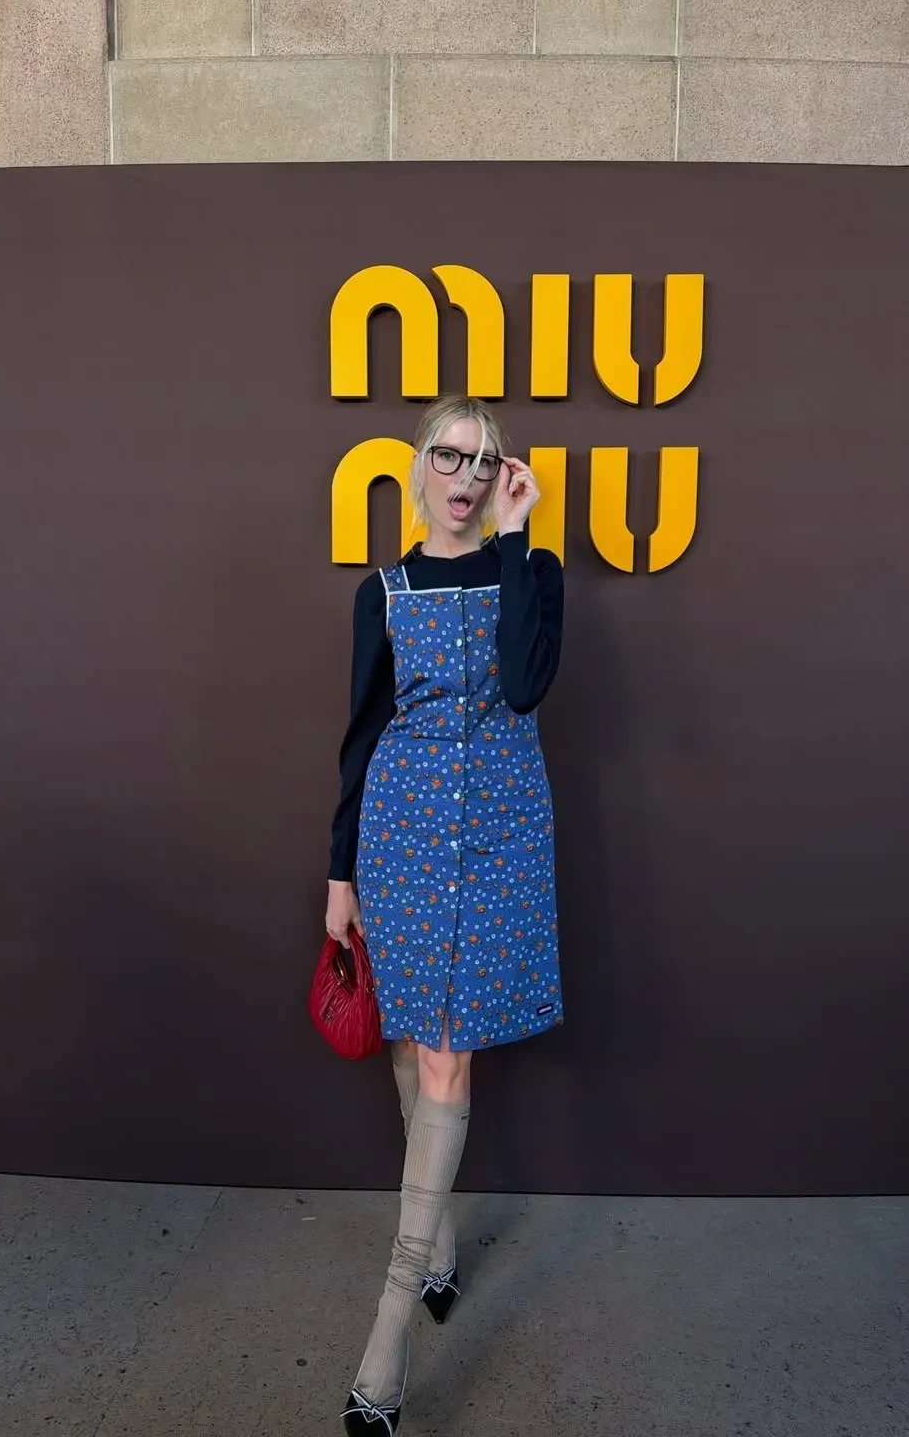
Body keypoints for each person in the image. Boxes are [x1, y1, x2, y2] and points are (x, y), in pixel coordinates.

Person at [326, 393, 565, 1434]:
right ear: (419, 466)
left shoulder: (533, 572)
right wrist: (340, 875)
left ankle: (384, 1348)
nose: (466, 478)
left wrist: (516, 540)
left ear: (502, 475)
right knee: (409, 1037)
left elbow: (524, 686)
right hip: (403, 836)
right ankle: (443, 1242)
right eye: (449, 457)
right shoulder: (380, 591)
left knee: (444, 1059)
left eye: (484, 460)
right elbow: (359, 734)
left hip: (500, 836)